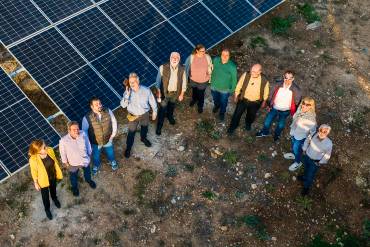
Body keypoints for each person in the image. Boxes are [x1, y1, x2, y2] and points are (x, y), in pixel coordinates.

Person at [256, 70, 302, 141]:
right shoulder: (277, 85)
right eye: (286, 78)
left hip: (285, 111)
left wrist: (293, 111)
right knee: (267, 121)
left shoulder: (296, 90)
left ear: (293, 79)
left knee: (281, 125)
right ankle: (265, 132)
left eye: (290, 78)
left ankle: (276, 135)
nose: (287, 80)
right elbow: (270, 95)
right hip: (274, 108)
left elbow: (297, 102)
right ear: (283, 77)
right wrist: (269, 105)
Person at [121, 72, 157, 158]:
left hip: (144, 114)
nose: (132, 84)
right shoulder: (127, 93)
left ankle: (143, 138)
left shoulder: (146, 90)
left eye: (134, 81)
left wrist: (155, 111)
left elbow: (152, 101)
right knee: (131, 133)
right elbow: (123, 105)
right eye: (130, 82)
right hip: (133, 116)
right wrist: (127, 95)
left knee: (144, 127)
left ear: (138, 81)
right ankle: (128, 148)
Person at [227, 64, 269, 134]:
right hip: (243, 99)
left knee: (251, 115)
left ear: (259, 72)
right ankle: (233, 127)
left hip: (255, 102)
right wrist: (236, 95)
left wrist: (264, 101)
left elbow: (266, 91)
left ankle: (248, 123)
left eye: (254, 72)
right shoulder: (246, 75)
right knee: (237, 114)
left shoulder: (264, 80)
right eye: (251, 71)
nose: (252, 73)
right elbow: (239, 85)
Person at [82, 96, 118, 175]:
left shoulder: (108, 111)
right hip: (95, 142)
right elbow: (84, 132)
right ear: (92, 107)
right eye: (97, 104)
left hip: (108, 139)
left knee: (110, 152)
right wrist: (88, 144)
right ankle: (96, 165)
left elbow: (114, 122)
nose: (99, 105)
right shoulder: (86, 118)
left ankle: (112, 161)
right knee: (96, 156)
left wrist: (113, 135)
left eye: (100, 103)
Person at [59, 121, 96, 197]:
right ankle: (75, 188)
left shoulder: (83, 134)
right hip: (73, 163)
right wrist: (65, 162)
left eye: (77, 128)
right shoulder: (63, 140)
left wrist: (89, 153)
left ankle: (88, 180)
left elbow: (87, 143)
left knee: (87, 172)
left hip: (84, 160)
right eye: (74, 129)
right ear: (69, 130)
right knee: (73, 176)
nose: (76, 131)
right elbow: (62, 153)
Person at [29, 140, 63, 220]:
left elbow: (54, 159)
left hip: (52, 175)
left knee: (53, 189)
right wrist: (36, 183)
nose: (46, 147)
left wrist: (58, 168)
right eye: (44, 147)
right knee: (45, 196)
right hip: (43, 180)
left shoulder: (50, 150)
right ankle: (47, 209)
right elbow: (33, 171)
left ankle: (54, 198)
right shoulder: (33, 159)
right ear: (38, 151)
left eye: (45, 145)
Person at [155, 52, 187, 135]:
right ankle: (159, 126)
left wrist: (182, 94)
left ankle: (170, 116)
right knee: (162, 110)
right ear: (170, 58)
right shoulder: (162, 67)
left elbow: (184, 82)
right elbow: (158, 82)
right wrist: (158, 93)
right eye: (173, 57)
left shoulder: (182, 68)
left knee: (172, 106)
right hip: (164, 93)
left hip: (175, 93)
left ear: (179, 59)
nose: (175, 59)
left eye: (177, 57)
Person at [299, 124, 333, 196]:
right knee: (305, 169)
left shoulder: (329, 143)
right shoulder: (313, 134)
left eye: (325, 132)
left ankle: (306, 188)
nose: (322, 133)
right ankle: (304, 177)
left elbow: (327, 155)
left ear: (327, 133)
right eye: (321, 130)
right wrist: (304, 149)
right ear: (319, 130)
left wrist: (320, 162)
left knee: (310, 175)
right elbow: (307, 140)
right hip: (307, 156)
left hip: (315, 162)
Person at [285, 97, 317, 171]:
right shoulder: (300, 110)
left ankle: (298, 162)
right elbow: (295, 121)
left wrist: (305, 145)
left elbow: (311, 133)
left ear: (311, 106)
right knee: (293, 146)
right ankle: (294, 155)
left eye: (307, 105)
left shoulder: (311, 119)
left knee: (297, 150)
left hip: (301, 137)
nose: (304, 106)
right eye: (303, 103)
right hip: (295, 133)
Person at [210, 48, 237, 121]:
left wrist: (232, 90)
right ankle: (216, 106)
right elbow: (209, 65)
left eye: (227, 55)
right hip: (214, 86)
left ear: (229, 56)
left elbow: (234, 79)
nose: (224, 57)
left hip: (225, 90)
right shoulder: (215, 60)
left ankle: (222, 113)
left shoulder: (232, 66)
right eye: (223, 55)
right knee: (215, 99)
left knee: (223, 102)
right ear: (221, 55)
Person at [185, 44, 213, 113]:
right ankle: (194, 100)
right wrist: (186, 78)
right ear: (197, 51)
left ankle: (200, 106)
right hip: (193, 79)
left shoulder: (207, 57)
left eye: (204, 51)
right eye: (202, 51)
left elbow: (210, 66)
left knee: (201, 94)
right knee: (194, 91)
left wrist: (209, 72)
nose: (204, 52)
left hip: (203, 81)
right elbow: (186, 68)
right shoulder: (191, 57)